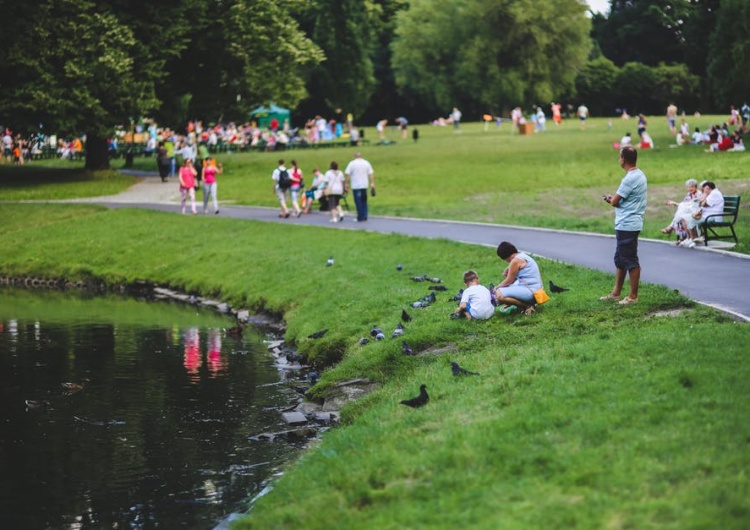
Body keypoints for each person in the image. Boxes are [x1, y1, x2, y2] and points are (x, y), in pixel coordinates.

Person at [601, 146, 647, 305]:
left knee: (630, 259)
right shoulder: (640, 174)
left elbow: (615, 202)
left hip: (628, 223)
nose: (618, 159)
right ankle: (616, 293)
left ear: (624, 159)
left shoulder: (629, 178)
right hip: (629, 222)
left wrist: (610, 199)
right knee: (621, 258)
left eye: (619, 156)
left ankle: (633, 296)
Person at [493, 241, 544, 315]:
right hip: (537, 291)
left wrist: (496, 288)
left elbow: (509, 281)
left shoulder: (515, 261)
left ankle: (527, 306)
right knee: (506, 289)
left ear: (504, 257)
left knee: (499, 294)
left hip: (532, 292)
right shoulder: (522, 255)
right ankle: (518, 304)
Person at [344, 152, 375, 222]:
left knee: (358, 201)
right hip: (364, 185)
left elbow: (347, 174)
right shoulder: (366, 163)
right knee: (364, 201)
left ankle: (360, 216)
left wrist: (346, 183)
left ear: (354, 156)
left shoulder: (352, 163)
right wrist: (372, 183)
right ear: (361, 156)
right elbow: (371, 174)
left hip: (356, 185)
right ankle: (365, 215)